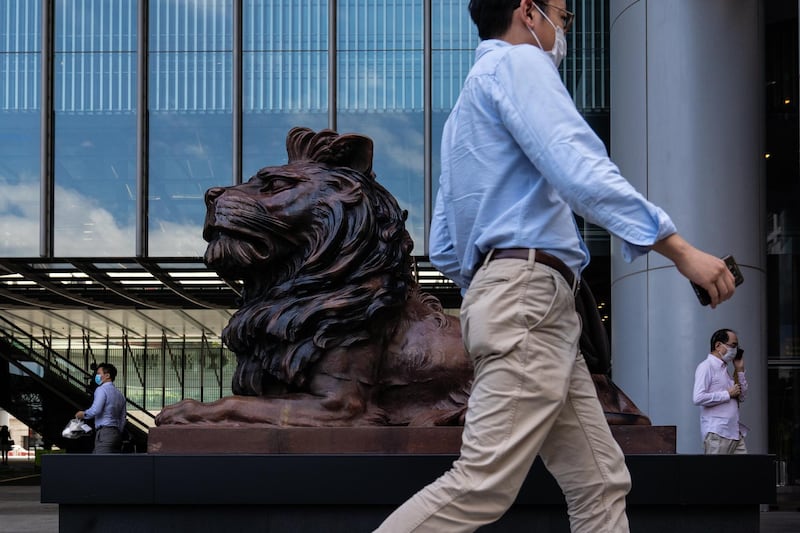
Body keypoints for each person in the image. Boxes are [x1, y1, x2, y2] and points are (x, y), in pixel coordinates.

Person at [374, 1, 736, 532]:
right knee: (481, 484)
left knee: (600, 482)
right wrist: (679, 249)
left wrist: (498, 290)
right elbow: (579, 168)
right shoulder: (521, 65)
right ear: (528, 11)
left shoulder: (465, 109)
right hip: (528, 302)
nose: (563, 30)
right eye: (563, 17)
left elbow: (448, 244)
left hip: (519, 303)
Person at [693, 329, 748, 454]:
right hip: (718, 432)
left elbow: (742, 396)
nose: (735, 351)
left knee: (745, 471)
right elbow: (698, 398)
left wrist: (739, 370)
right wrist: (727, 394)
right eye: (733, 346)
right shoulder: (706, 366)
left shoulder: (725, 370)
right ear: (718, 345)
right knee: (716, 472)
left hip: (734, 431)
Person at [76, 363, 127, 454]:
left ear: (107, 375)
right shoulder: (120, 395)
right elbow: (122, 418)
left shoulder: (101, 390)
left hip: (104, 433)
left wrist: (83, 414)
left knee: (100, 464)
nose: (97, 376)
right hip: (116, 434)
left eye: (99, 373)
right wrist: (117, 431)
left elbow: (96, 409)